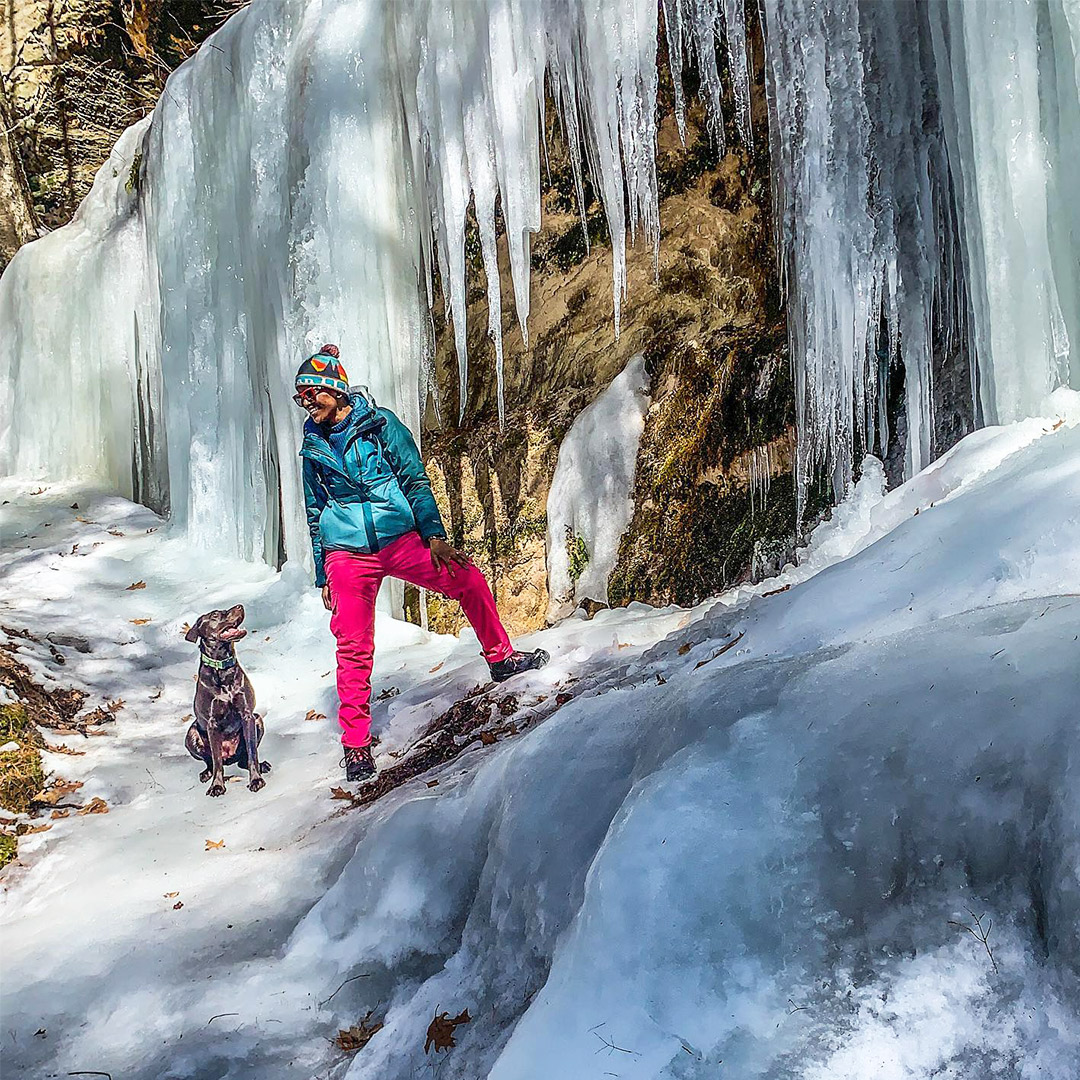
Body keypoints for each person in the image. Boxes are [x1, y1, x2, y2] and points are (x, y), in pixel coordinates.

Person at [296, 344, 549, 782]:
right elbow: (315, 511)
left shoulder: (380, 425)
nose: (306, 404)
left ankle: (501, 658)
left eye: (311, 394)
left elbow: (414, 477)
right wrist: (324, 571)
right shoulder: (312, 446)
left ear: (334, 388)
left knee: (467, 578)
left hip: (400, 538)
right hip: (347, 554)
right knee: (353, 645)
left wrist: (434, 536)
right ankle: (355, 746)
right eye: (300, 398)